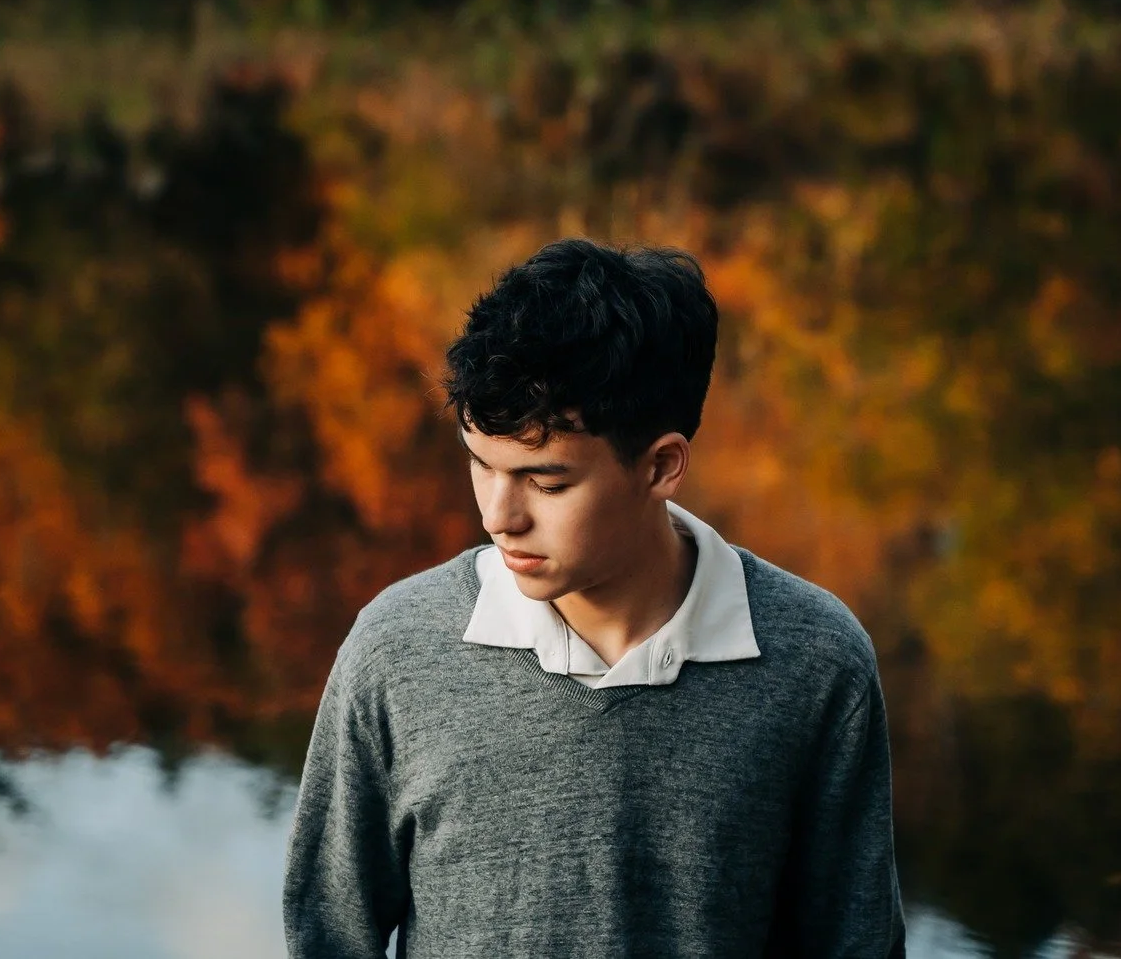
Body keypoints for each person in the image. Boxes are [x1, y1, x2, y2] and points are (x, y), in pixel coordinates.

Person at [283, 238, 906, 959]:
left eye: (546, 484)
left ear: (661, 466)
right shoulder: (396, 648)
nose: (497, 515)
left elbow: (852, 943)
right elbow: (329, 935)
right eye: (480, 465)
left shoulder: (816, 663)